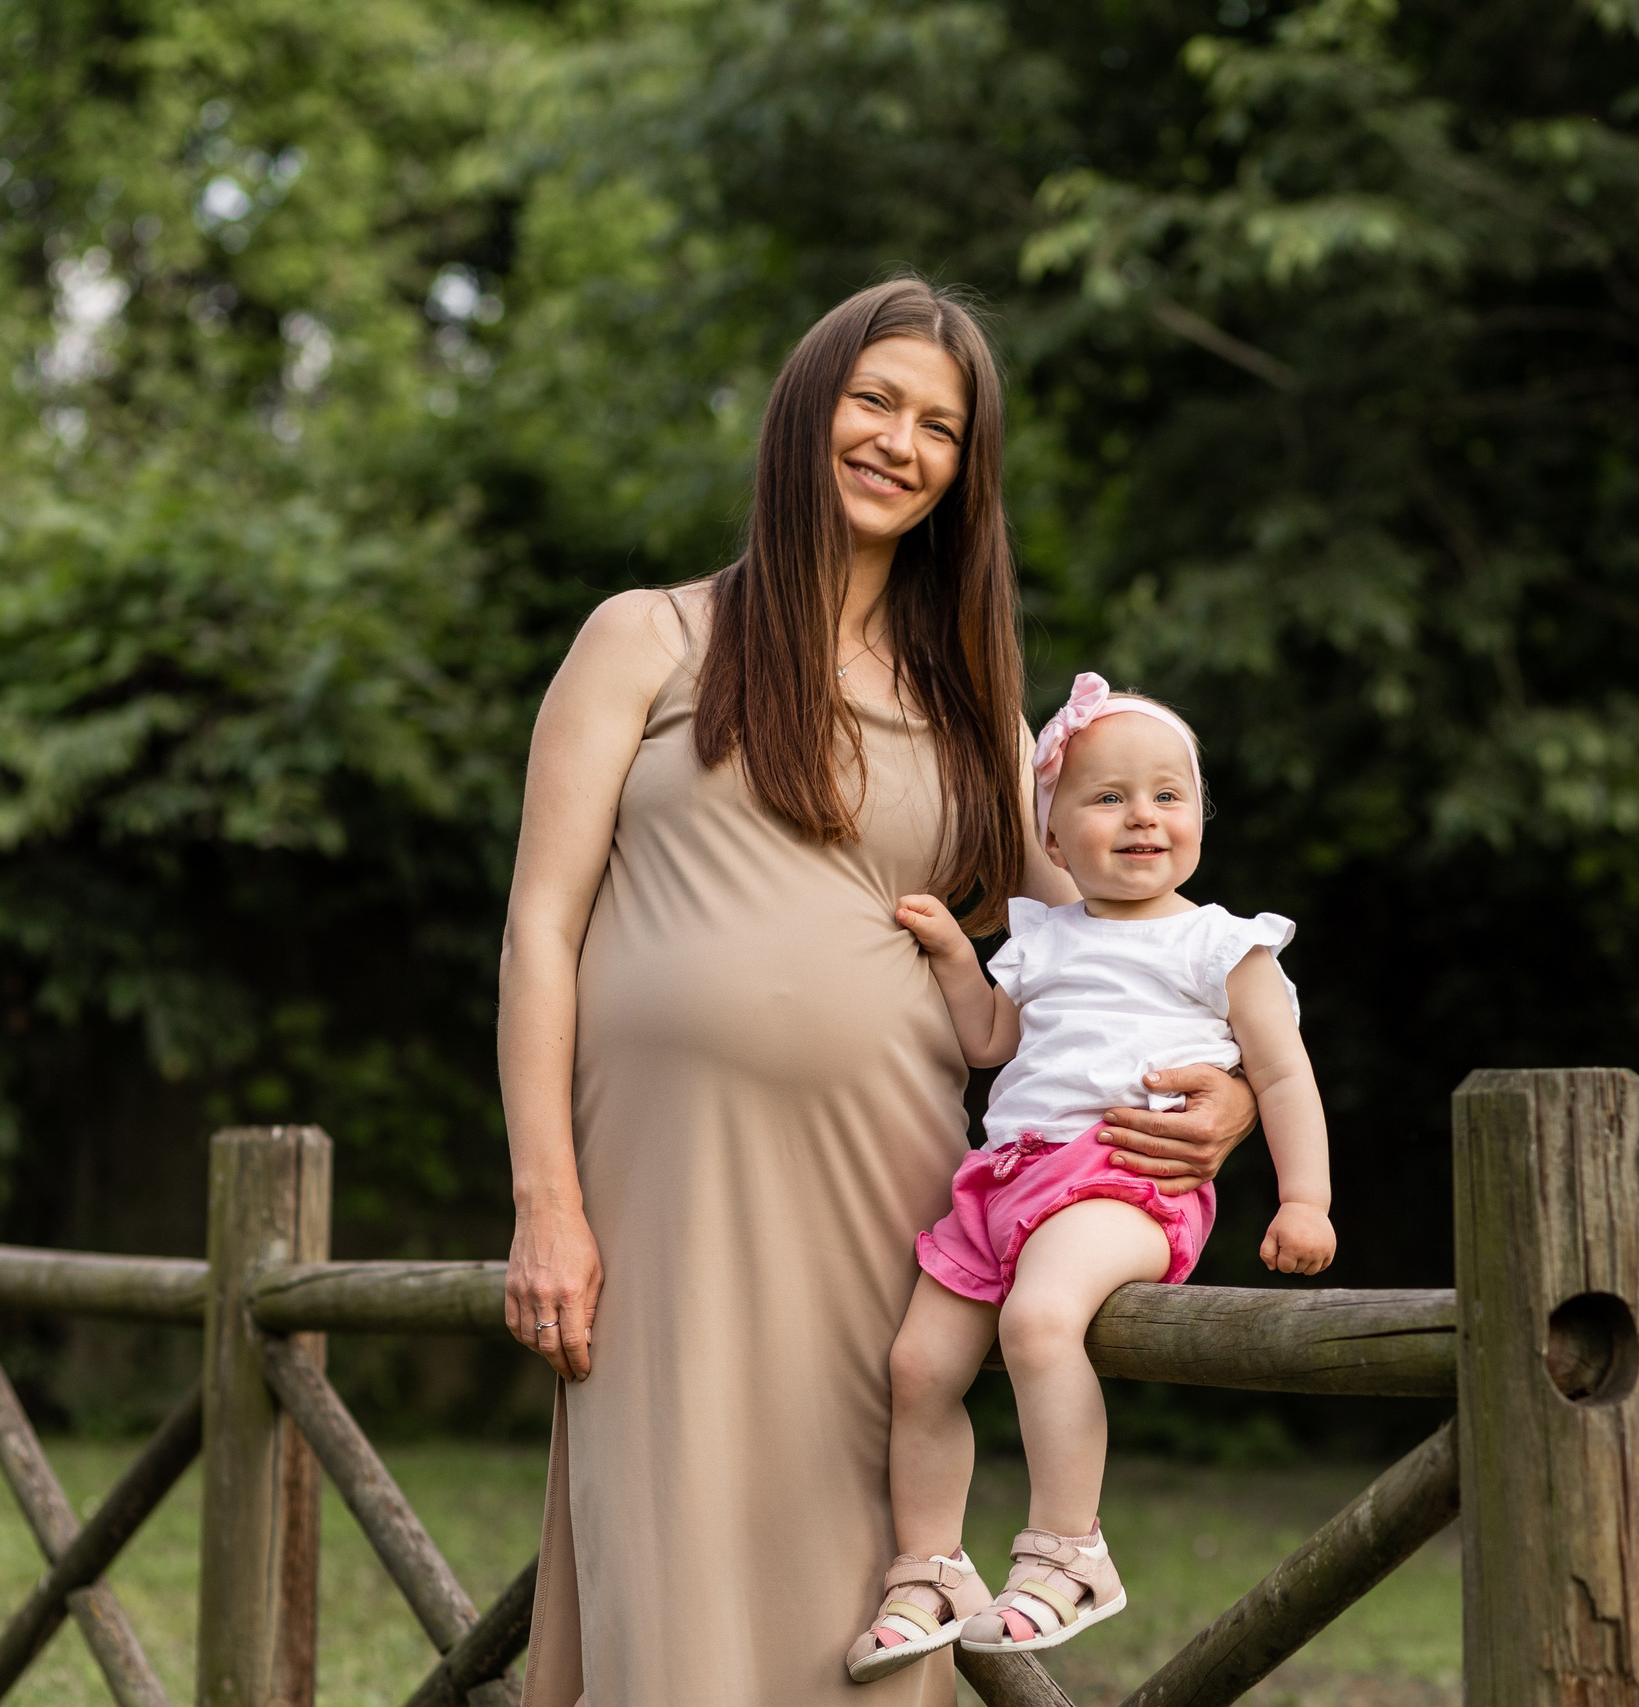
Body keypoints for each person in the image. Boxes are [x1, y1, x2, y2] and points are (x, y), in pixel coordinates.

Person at [498, 278, 1265, 1707]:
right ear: (808, 412)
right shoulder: (644, 638)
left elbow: (1100, 927)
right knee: (662, 1548)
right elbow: (541, 926)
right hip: (661, 1188)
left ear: (964, 472)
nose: (901, 442)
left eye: (941, 426)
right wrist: (546, 1197)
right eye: (875, 401)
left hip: (892, 1194)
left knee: (863, 1590)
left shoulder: (975, 692)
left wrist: (1228, 1085)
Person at [844, 673, 1336, 1681]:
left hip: (1125, 1179)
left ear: (1201, 818)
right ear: (1055, 839)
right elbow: (987, 1041)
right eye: (1106, 797)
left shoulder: (1223, 942)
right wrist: (949, 953)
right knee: (918, 1366)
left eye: (1167, 795)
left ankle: (1070, 1553)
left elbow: (1282, 1072)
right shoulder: (1044, 936)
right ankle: (930, 1567)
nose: (1141, 816)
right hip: (1004, 1183)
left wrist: (1304, 1199)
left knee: (1037, 1322)